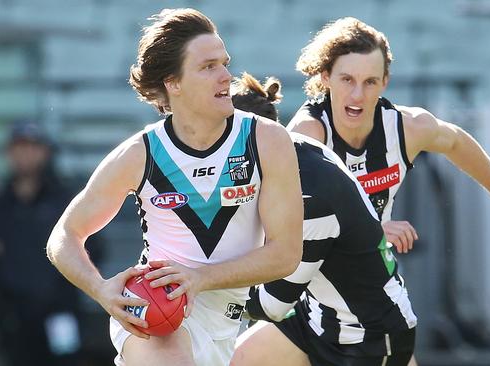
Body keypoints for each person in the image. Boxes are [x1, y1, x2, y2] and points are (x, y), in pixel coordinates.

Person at [45, 8, 303, 366]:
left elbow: (286, 254)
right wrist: (101, 290)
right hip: (157, 314)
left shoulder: (267, 139)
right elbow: (64, 236)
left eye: (224, 63)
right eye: (208, 66)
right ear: (173, 83)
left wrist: (199, 278)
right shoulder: (141, 154)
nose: (227, 76)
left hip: (227, 322)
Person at [287, 17, 490, 255]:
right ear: (325, 78)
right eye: (347, 80)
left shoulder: (408, 127)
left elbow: (457, 142)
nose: (358, 95)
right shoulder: (307, 134)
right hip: (307, 283)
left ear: (385, 82)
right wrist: (372, 231)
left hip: (370, 276)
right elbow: (289, 222)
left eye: (370, 82)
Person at [229, 73, 417, 366]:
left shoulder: (310, 201)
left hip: (367, 339)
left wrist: (201, 286)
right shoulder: (297, 145)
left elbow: (272, 305)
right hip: (316, 315)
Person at [0, 120, 84, 366]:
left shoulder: (66, 200)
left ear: (45, 152)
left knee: (66, 360)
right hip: (16, 319)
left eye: (32, 147)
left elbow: (93, 249)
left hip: (61, 312)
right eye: (18, 147)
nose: (24, 154)